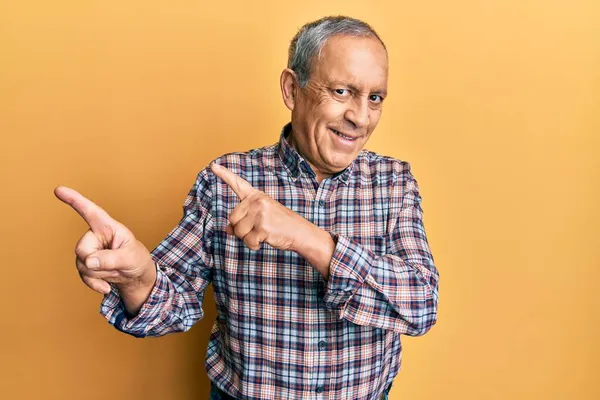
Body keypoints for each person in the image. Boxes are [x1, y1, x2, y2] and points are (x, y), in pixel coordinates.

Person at [55, 16, 439, 400]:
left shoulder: (393, 182)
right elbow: (172, 307)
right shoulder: (226, 181)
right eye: (341, 91)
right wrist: (137, 279)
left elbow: (421, 306)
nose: (360, 117)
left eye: (375, 98)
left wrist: (310, 239)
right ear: (292, 89)